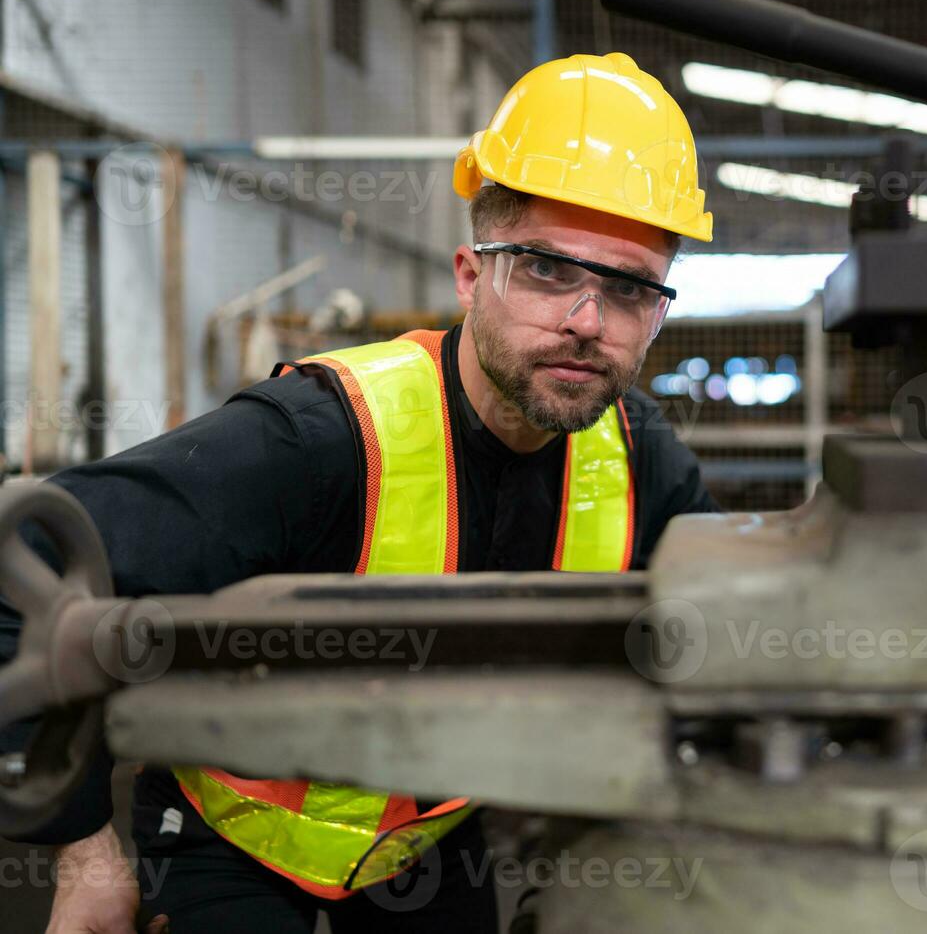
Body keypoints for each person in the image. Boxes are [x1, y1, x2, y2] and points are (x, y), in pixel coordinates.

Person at [3, 51, 718, 933]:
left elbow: (737, 642)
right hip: (231, 847)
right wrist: (84, 855)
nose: (586, 320)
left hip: (428, 845)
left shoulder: (640, 460)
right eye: (545, 269)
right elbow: (21, 572)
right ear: (469, 273)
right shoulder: (318, 438)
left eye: (629, 289)